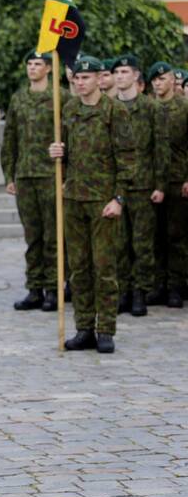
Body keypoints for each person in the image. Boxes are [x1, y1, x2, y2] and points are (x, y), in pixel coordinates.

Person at [49, 56, 134, 354]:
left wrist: (118, 198)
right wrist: (57, 152)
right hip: (73, 198)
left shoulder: (115, 111)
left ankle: (106, 329)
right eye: (76, 78)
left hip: (103, 201)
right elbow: (67, 154)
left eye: (85, 78)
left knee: (104, 267)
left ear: (99, 79)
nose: (80, 82)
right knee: (79, 268)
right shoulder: (69, 109)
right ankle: (84, 327)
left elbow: (127, 158)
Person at [1, 51, 58, 312]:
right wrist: (9, 174)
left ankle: (54, 289)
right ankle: (34, 288)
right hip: (25, 175)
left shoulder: (60, 97)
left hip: (50, 175)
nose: (32, 68)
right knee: (32, 236)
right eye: (29, 64)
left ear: (48, 68)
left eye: (37, 64)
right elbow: (10, 138)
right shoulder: (19, 99)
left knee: (53, 236)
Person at [111, 54, 165, 317]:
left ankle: (140, 292)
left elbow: (160, 148)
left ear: (136, 76)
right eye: (117, 72)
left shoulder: (150, 107)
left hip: (144, 185)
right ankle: (122, 290)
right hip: (117, 188)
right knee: (119, 244)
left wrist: (160, 184)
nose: (120, 76)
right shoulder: (108, 107)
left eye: (124, 72)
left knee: (142, 243)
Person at [150, 61, 188, 308]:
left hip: (177, 179)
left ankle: (176, 285)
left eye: (162, 78)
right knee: (155, 235)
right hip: (152, 181)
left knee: (177, 236)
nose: (158, 83)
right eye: (154, 79)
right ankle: (159, 283)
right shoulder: (149, 109)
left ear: (173, 81)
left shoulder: (183, 108)